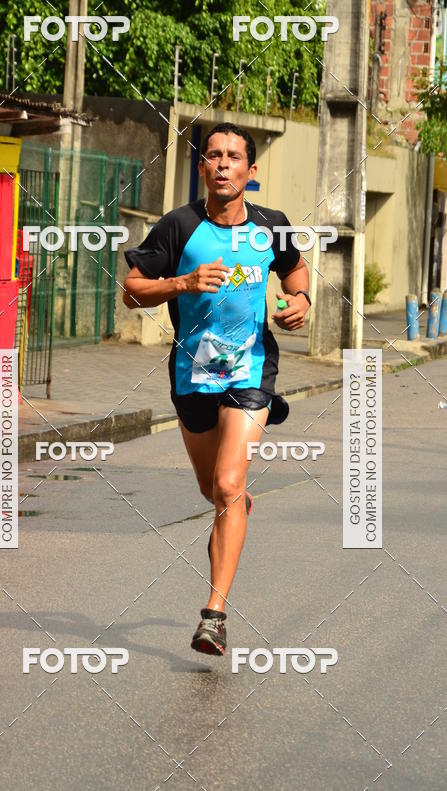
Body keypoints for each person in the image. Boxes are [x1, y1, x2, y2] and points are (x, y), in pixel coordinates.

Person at [122, 122, 310, 656]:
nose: (223, 163)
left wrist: (300, 303)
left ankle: (214, 614)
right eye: (213, 156)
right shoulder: (179, 226)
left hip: (250, 373)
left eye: (233, 157)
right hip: (192, 376)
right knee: (215, 492)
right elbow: (132, 290)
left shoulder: (271, 228)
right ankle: (234, 508)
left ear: (251, 172)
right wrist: (182, 283)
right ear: (202, 168)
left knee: (228, 485)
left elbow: (297, 276)